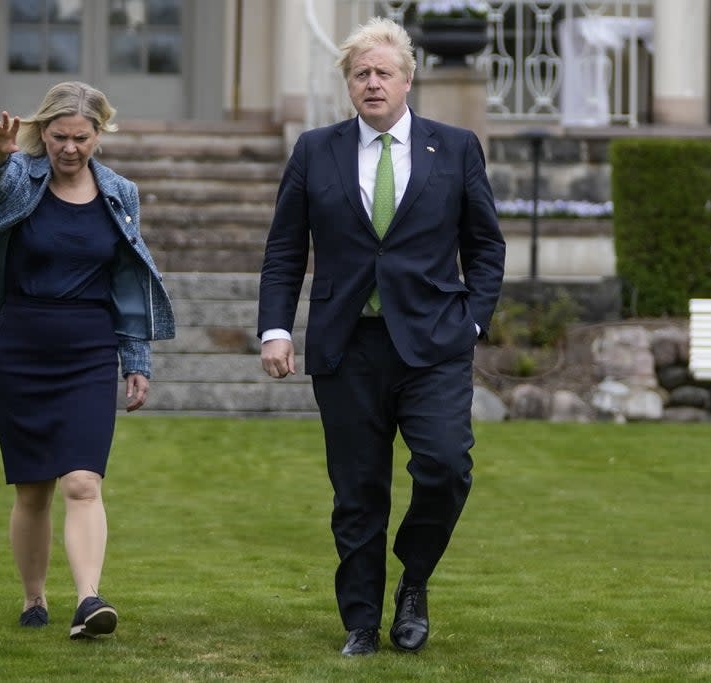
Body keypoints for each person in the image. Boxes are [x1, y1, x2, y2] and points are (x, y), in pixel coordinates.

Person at [257, 18, 505, 657]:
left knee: (446, 467)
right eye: (361, 73)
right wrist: (277, 329)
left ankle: (413, 581)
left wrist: (474, 320)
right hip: (348, 345)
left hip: (433, 345)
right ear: (348, 83)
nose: (372, 83)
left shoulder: (454, 148)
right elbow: (286, 248)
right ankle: (361, 623)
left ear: (407, 78)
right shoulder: (316, 150)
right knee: (358, 491)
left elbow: (485, 246)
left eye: (383, 72)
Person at [0, 81, 175, 640]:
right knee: (33, 486)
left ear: (99, 135)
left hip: (88, 345)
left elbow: (127, 281)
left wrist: (137, 359)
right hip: (22, 344)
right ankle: (34, 598)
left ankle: (89, 600)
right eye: (58, 136)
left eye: (81, 137)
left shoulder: (120, 195)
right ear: (43, 133)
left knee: (83, 481)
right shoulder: (24, 178)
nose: (69, 148)